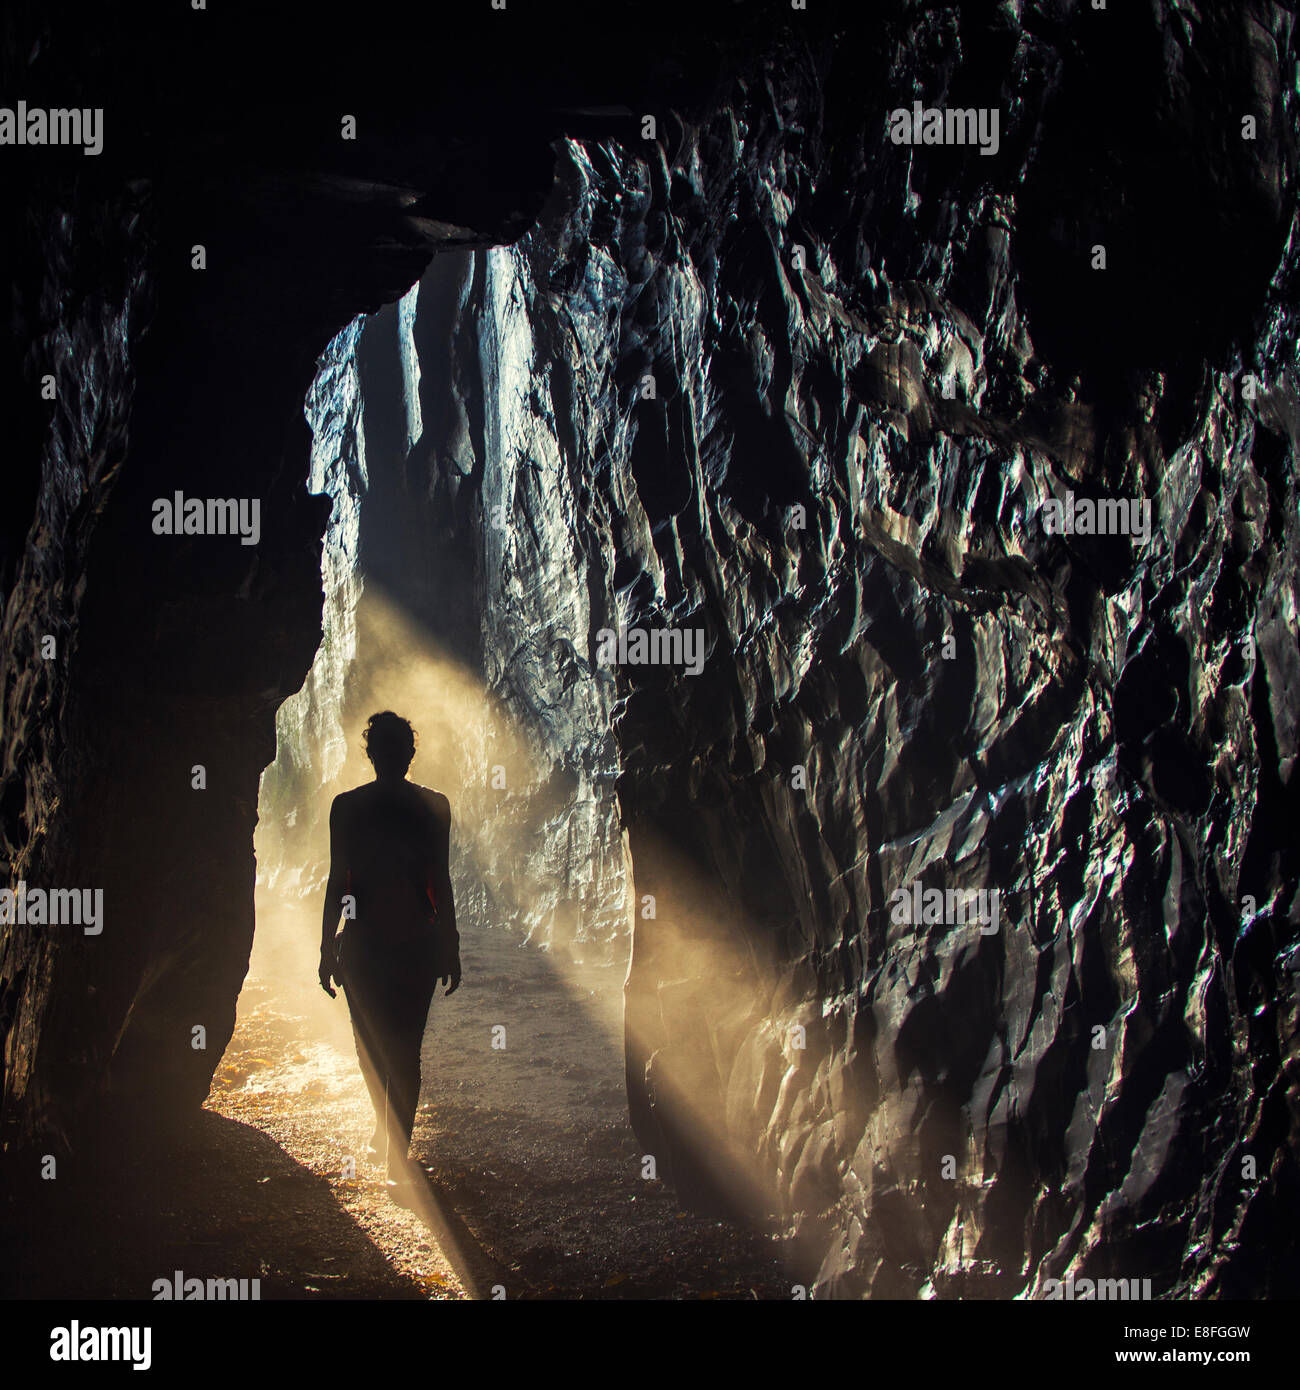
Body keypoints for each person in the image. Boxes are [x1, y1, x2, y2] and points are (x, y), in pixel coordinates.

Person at [318, 711, 460, 1193]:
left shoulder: (347, 807)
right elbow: (440, 880)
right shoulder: (434, 806)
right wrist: (449, 945)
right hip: (416, 942)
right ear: (410, 754)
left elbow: (338, 881)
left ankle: (390, 1136)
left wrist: (324, 948)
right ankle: (394, 1142)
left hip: (362, 943)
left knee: (371, 1046)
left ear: (371, 754)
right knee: (406, 1049)